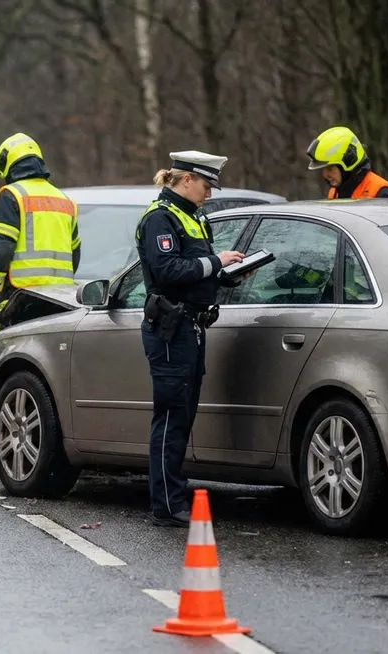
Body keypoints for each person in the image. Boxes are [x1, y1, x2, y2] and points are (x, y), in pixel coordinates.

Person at [135, 151, 245, 528]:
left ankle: (172, 496)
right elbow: (167, 270)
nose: (209, 193)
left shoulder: (193, 217)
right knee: (170, 416)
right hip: (171, 328)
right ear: (185, 180)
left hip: (191, 327)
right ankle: (167, 504)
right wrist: (216, 263)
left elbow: (197, 268)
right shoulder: (159, 219)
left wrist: (229, 273)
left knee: (184, 414)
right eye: (205, 184)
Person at [0, 132, 81, 474]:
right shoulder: (63, 200)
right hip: (59, 299)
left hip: (19, 299)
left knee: (3, 377)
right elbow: (74, 254)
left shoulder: (11, 196)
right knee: (48, 381)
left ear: (7, 165)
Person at [306, 126, 388, 199]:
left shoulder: (383, 193)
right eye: (323, 169)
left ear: (348, 162)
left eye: (330, 168)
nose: (325, 174)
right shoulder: (334, 193)